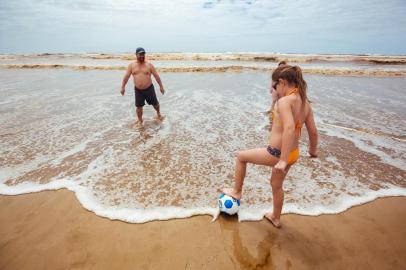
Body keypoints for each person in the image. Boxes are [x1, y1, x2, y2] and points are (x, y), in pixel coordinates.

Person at [222, 65, 318, 228]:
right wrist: (313, 151)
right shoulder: (304, 103)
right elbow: (313, 132)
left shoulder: (285, 101)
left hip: (277, 154)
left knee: (241, 157)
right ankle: (275, 217)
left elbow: (288, 128)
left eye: (274, 86)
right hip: (293, 153)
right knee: (276, 185)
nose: (274, 90)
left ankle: (236, 191)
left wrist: (282, 160)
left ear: (282, 82)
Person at [121, 47, 165, 124]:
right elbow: (126, 77)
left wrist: (161, 86)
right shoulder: (131, 65)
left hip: (149, 89)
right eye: (140, 54)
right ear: (136, 54)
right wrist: (123, 87)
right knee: (138, 106)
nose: (142, 56)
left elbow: (156, 76)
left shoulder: (149, 65)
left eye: (143, 54)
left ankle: (158, 113)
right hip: (138, 90)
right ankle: (140, 120)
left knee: (155, 104)